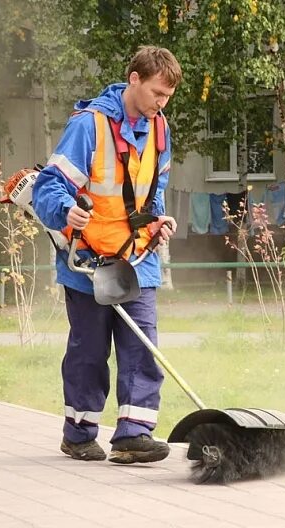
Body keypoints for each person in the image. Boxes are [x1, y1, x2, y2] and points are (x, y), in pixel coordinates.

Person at [32, 46, 181, 464]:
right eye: (156, 93)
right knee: (89, 350)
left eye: (167, 97)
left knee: (142, 345)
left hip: (138, 257)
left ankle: (134, 434)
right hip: (89, 260)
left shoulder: (160, 129)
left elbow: (152, 193)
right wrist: (67, 211)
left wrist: (158, 222)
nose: (161, 103)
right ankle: (79, 433)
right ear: (134, 79)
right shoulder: (89, 127)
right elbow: (50, 186)